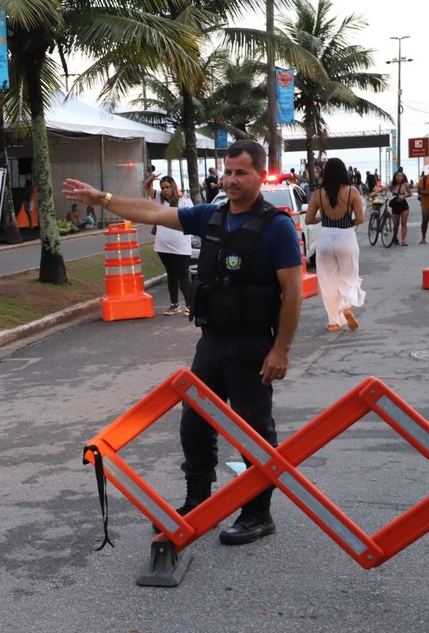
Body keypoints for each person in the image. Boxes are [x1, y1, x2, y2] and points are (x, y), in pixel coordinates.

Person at [62, 139, 303, 545]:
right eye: (227, 172)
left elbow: (293, 292)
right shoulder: (212, 216)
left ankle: (258, 513)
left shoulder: (276, 226)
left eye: (241, 173)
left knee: (253, 431)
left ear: (261, 174)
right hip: (211, 342)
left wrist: (281, 350)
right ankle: (197, 502)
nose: (231, 180)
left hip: (252, 346)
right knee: (194, 425)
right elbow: (154, 211)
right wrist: (102, 198)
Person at [306, 158, 366, 332]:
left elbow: (309, 219)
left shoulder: (318, 193)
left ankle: (333, 322)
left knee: (327, 280)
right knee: (349, 275)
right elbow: (360, 219)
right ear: (343, 172)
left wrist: (324, 217)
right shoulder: (352, 192)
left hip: (325, 238)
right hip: (345, 236)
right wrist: (347, 223)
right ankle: (347, 306)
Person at [143, 173, 193, 316]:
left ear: (173, 187)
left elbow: (190, 219)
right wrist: (150, 180)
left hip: (181, 244)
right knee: (171, 274)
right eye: (162, 187)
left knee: (183, 274)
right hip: (162, 244)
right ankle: (174, 304)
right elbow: (147, 187)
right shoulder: (158, 197)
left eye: (167, 187)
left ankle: (190, 305)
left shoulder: (184, 200)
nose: (165, 190)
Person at [371, 169, 413, 246]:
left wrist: (404, 196)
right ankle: (395, 238)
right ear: (395, 177)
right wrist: (374, 193)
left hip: (404, 205)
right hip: (395, 205)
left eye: (401, 176)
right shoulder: (392, 185)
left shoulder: (405, 185)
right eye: (398, 176)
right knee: (396, 224)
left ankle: (403, 240)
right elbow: (383, 188)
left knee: (404, 223)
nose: (399, 177)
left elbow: (410, 194)